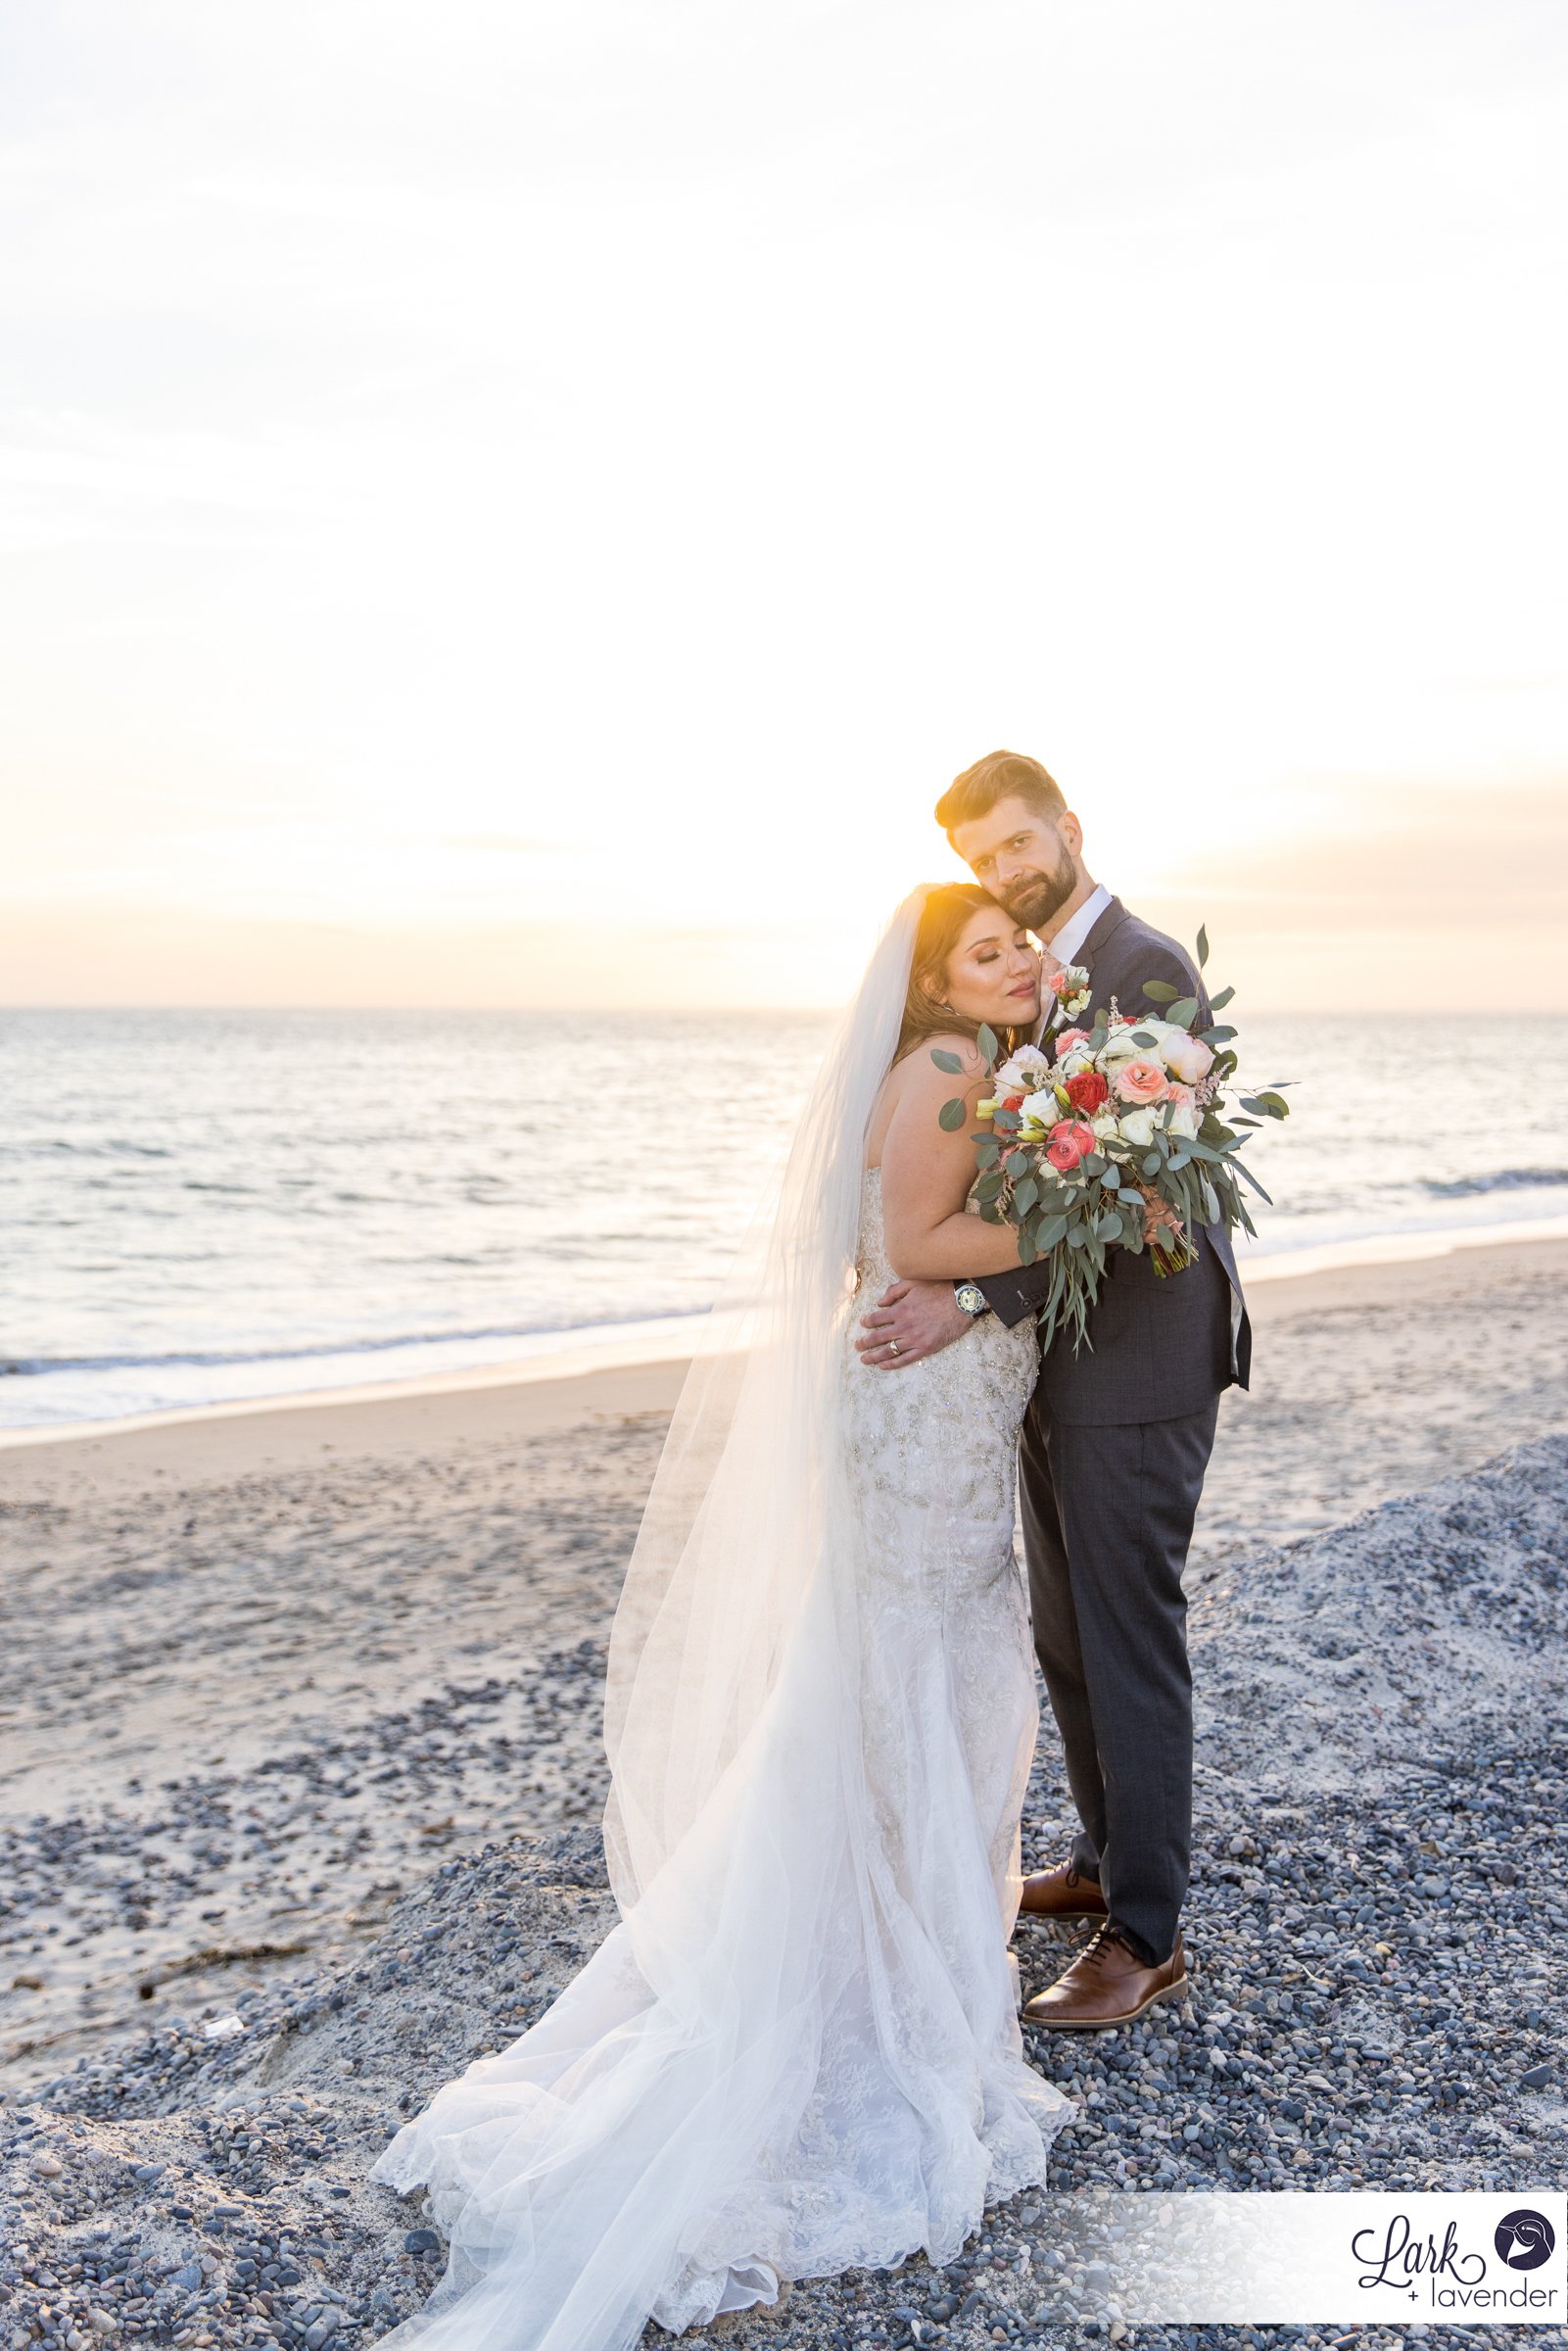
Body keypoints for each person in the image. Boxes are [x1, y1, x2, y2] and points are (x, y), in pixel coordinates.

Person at [369, 885, 1075, 2351]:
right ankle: (886, 1971)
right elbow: (912, 1244)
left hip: (935, 1411)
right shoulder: (945, 1073)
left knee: (921, 1671)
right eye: (986, 952)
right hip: (922, 1415)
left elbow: (909, 1247)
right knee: (919, 1668)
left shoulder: (975, 1066)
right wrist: (1068, 1220)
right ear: (938, 985)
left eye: (1022, 943)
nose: (1018, 964)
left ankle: (911, 1941)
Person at [857, 750, 1251, 2031]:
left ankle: (1145, 1935)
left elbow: (1145, 1203)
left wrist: (967, 1296)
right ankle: (1096, 1861)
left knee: (1128, 1640)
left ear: (1066, 830)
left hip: (1136, 1358)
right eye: (982, 862)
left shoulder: (1145, 970)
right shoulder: (1030, 984)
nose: (1004, 875)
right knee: (1067, 1636)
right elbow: (1033, 1181)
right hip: (1043, 1363)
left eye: (1016, 846)